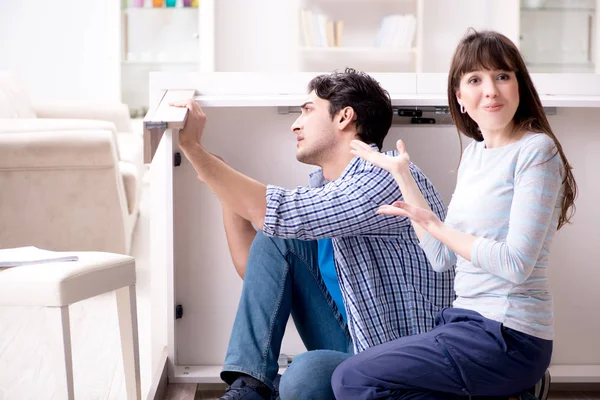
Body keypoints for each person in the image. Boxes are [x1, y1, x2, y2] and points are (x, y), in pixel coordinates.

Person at [170, 68, 456, 400]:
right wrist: (219, 182)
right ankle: (248, 389)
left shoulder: (383, 175)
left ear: (344, 117)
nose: (295, 124)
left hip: (402, 364)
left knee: (303, 376)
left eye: (307, 110)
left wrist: (193, 148)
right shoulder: (326, 191)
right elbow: (257, 270)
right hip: (357, 343)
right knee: (280, 235)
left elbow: (273, 212)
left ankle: (271, 391)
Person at [331, 30, 577, 400]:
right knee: (356, 377)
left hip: (509, 335)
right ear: (460, 98)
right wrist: (403, 178)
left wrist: (434, 224)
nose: (491, 90)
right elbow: (441, 257)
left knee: (352, 380)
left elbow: (515, 265)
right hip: (463, 322)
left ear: (519, 86)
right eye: (475, 80)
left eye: (502, 76)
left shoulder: (536, 152)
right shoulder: (475, 155)